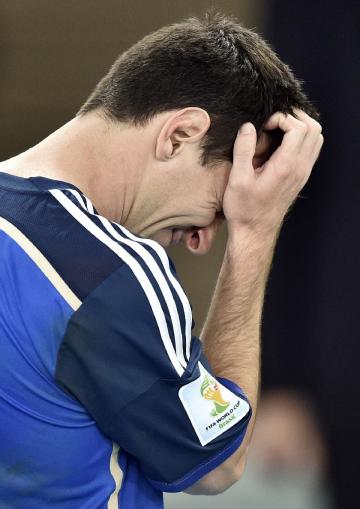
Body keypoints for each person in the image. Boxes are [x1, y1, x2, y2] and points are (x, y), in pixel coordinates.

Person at [0, 11, 323, 509]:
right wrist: (255, 233)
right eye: (220, 208)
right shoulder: (109, 276)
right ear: (178, 136)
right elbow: (218, 465)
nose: (201, 241)